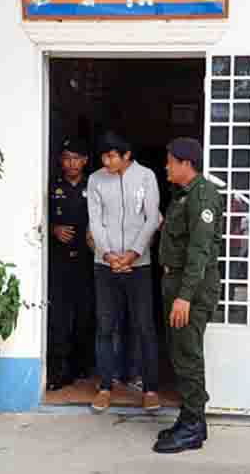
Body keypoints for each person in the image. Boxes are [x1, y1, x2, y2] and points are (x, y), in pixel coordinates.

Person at [153, 137, 223, 454]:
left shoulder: (202, 196)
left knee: (188, 354)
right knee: (179, 352)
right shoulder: (182, 195)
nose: (166, 167)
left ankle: (194, 426)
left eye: (170, 162)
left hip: (191, 287)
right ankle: (190, 418)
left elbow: (199, 251)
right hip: (176, 282)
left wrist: (185, 297)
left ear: (186, 163)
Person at [86, 132, 161, 412]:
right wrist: (107, 254)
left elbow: (152, 218)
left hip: (138, 265)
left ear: (126, 155)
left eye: (111, 156)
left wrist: (133, 253)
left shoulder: (146, 176)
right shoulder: (96, 179)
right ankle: (105, 387)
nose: (106, 162)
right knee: (105, 326)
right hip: (104, 265)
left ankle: (150, 389)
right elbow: (95, 221)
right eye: (103, 156)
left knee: (144, 326)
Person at [47, 138, 95, 390]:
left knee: (85, 315)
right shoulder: (51, 185)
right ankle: (59, 371)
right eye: (67, 158)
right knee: (60, 316)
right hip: (60, 261)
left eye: (77, 158)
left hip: (88, 260)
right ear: (61, 160)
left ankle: (82, 366)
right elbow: (35, 216)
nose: (72, 163)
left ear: (85, 161)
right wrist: (53, 229)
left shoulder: (94, 186)